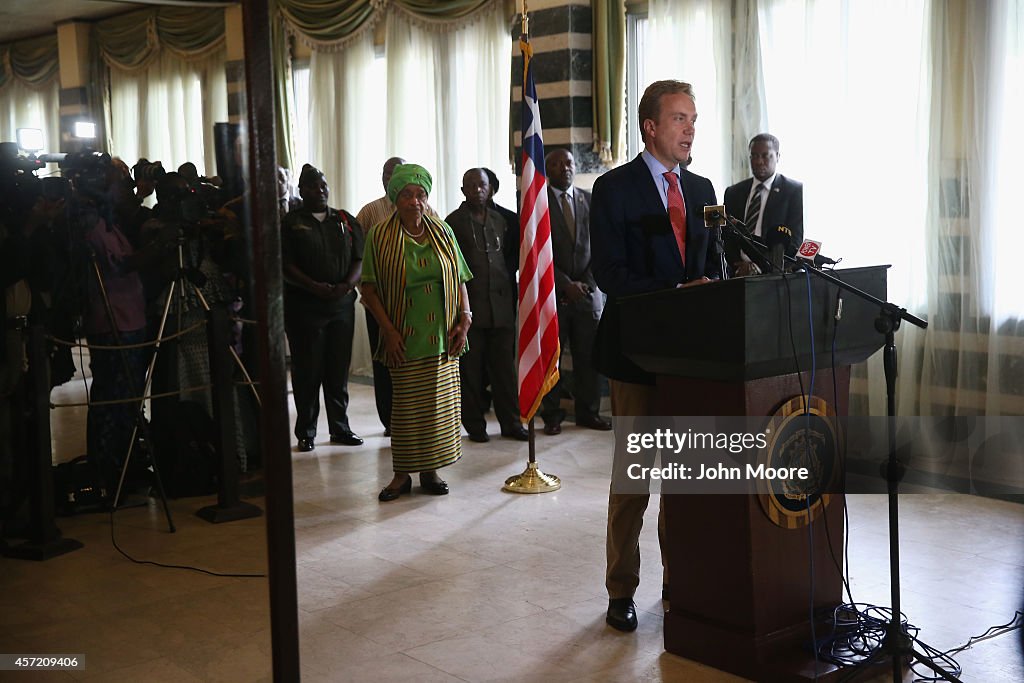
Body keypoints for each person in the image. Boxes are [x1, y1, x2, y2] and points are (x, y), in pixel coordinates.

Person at [590, 79, 721, 632]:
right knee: (635, 479)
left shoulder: (704, 188)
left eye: (693, 119)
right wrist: (673, 296)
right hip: (638, 355)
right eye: (680, 119)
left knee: (685, 481)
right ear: (650, 127)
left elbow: (709, 264)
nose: (691, 129)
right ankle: (622, 588)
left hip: (693, 362)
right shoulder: (614, 188)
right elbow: (609, 273)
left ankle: (680, 582)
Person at [360, 164, 472, 501]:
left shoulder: (442, 231)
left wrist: (465, 317)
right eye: (407, 194)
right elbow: (368, 290)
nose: (415, 201)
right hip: (404, 337)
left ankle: (431, 471)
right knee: (407, 409)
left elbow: (461, 276)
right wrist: (389, 331)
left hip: (443, 335)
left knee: (438, 405)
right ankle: (401, 476)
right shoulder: (380, 236)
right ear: (395, 198)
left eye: (420, 194)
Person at [282, 165, 364, 452]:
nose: (321, 191)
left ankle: (340, 428)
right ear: (302, 191)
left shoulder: (344, 220)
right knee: (308, 371)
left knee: (337, 370)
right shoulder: (291, 223)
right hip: (305, 308)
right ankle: (306, 432)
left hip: (341, 305)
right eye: (314, 186)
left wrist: (346, 286)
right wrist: (313, 286)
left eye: (324, 186)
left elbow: (359, 259)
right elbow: (286, 265)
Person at [355, 156, 439, 437]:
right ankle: (390, 420)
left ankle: (421, 423)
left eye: (398, 173)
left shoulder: (429, 213)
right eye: (387, 173)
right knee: (385, 361)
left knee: (419, 366)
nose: (392, 177)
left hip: (425, 308)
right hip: (380, 304)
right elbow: (358, 258)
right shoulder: (369, 214)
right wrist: (366, 295)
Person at [446, 169, 528, 442]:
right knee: (471, 370)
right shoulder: (453, 222)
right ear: (463, 190)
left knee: (504, 369)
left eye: (481, 185)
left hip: (502, 306)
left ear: (490, 188)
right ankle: (475, 425)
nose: (477, 190)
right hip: (471, 309)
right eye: (470, 185)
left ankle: (512, 423)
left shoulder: (502, 220)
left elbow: (511, 258)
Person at [539, 148, 612, 436]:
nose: (563, 168)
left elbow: (603, 245)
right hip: (553, 296)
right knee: (550, 360)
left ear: (575, 165)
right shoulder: (538, 203)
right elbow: (536, 254)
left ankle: (588, 413)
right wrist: (565, 283)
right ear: (548, 170)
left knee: (588, 359)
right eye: (555, 164)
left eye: (568, 162)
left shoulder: (590, 199)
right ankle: (552, 415)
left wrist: (586, 284)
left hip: (588, 295)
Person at [723, 133, 804, 276]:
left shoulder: (792, 190)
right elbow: (726, 235)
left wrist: (760, 266)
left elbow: (794, 240)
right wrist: (737, 267)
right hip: (737, 274)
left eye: (766, 155)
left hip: (774, 274)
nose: (759, 161)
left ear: (778, 156)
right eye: (754, 156)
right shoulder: (733, 192)